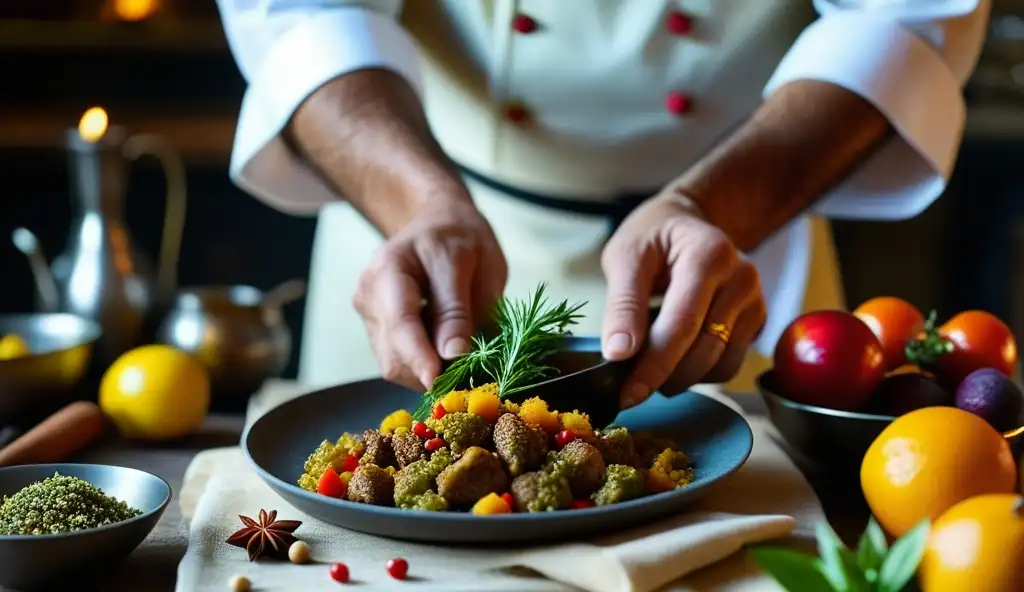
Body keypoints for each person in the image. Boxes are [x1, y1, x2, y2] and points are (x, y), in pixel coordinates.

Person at [214, 0, 989, 407]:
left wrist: (711, 208)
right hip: (423, 234)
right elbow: (299, 11)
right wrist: (417, 204)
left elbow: (904, 19)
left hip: (731, 250)